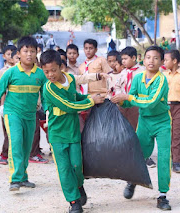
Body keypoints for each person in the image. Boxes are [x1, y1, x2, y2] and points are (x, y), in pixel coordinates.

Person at [0, 36, 48, 191]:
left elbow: (46, 96)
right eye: (25, 51)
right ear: (19, 54)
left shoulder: (40, 74)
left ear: (37, 53)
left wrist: (48, 113)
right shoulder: (11, 73)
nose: (29, 54)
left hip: (30, 115)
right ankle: (14, 180)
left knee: (27, 147)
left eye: (32, 51)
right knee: (16, 144)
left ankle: (23, 177)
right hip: (12, 113)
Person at [41, 49, 105, 213]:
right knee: (64, 170)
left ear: (61, 67)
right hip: (57, 135)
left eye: (53, 70)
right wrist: (91, 101)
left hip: (73, 133)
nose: (50, 75)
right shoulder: (49, 88)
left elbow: (75, 97)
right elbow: (68, 106)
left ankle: (79, 185)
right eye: (46, 71)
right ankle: (74, 202)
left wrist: (92, 97)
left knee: (77, 166)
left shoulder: (69, 79)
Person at [111, 46, 172, 211]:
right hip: (144, 121)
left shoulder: (161, 80)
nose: (151, 61)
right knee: (139, 155)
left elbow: (151, 102)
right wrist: (120, 100)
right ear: (143, 60)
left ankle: (162, 196)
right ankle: (132, 181)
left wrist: (128, 97)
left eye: (156, 58)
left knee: (164, 158)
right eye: (148, 57)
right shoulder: (138, 78)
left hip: (162, 123)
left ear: (161, 62)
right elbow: (131, 100)